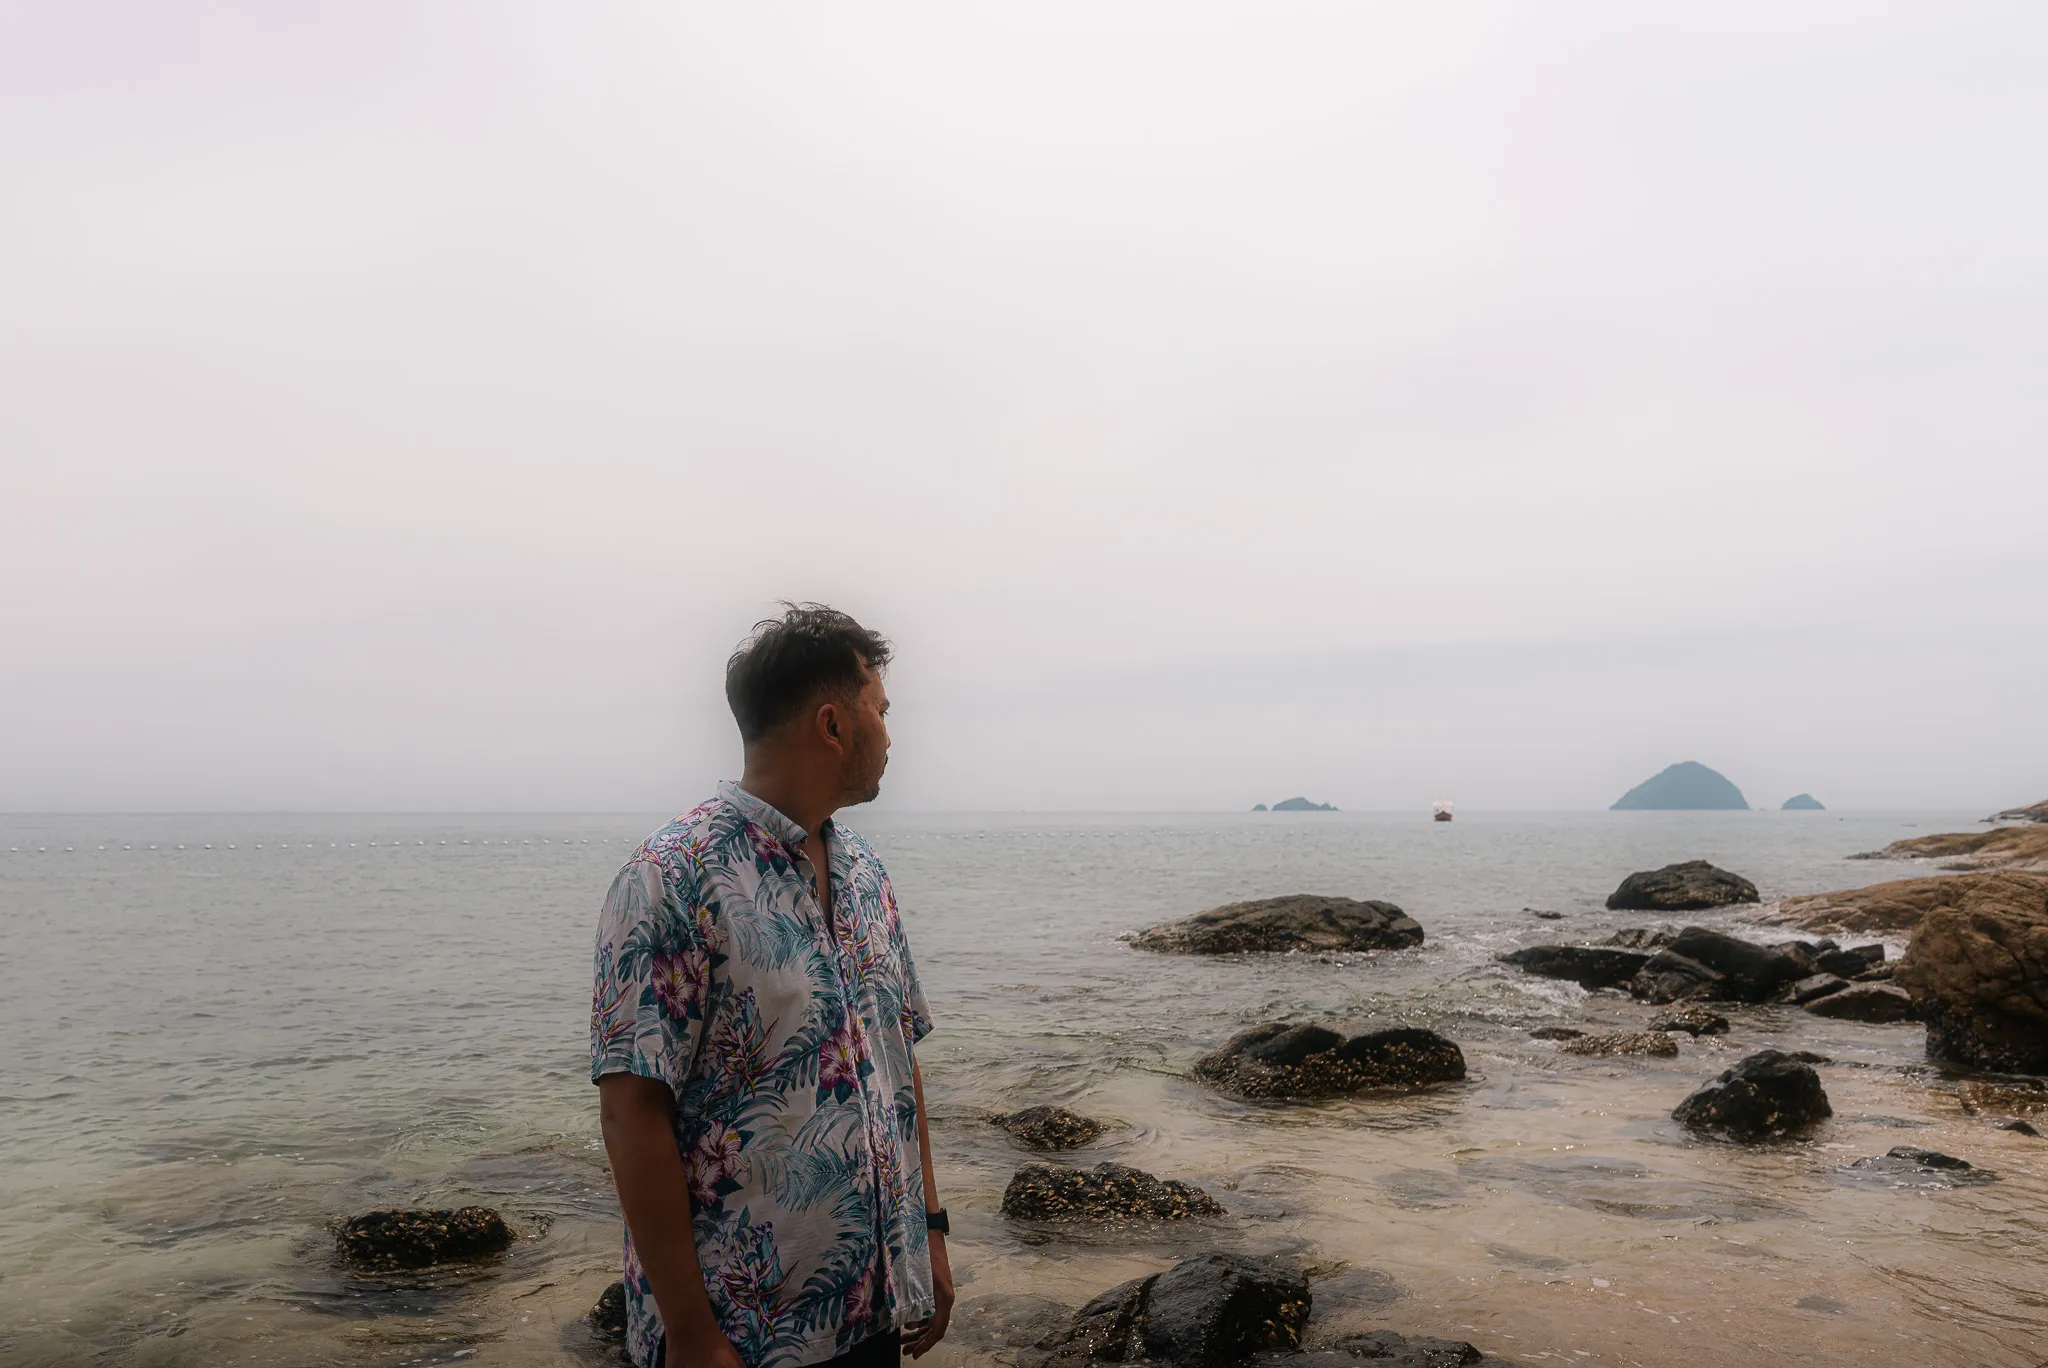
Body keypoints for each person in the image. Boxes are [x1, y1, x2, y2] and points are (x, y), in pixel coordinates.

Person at [591, 604, 952, 1368]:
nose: (891, 733)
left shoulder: (865, 873)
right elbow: (631, 1112)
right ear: (832, 724)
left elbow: (896, 1063)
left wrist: (931, 1234)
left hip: (872, 1313)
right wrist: (692, 1336)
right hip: (739, 1340)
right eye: (880, 711)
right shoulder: (672, 877)